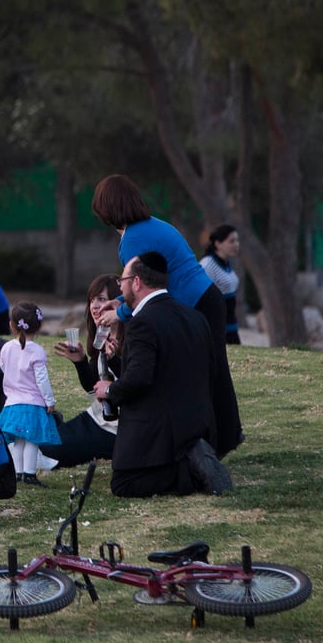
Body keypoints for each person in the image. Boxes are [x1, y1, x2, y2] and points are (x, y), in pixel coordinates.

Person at [91, 174, 242, 458]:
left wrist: (119, 313)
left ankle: (218, 440)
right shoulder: (153, 226)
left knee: (207, 372)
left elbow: (143, 287)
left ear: (107, 209)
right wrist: (119, 301)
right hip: (206, 300)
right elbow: (145, 283)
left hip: (196, 305)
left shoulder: (133, 240)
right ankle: (223, 437)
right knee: (211, 370)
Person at [94, 252, 233, 497]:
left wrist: (110, 390)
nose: (121, 286)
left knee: (123, 484)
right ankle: (194, 456)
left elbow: (140, 379)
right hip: (199, 422)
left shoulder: (142, 323)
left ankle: (189, 470)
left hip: (162, 428)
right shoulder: (195, 317)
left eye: (123, 280)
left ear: (137, 282)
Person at [42, 274, 123, 468]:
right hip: (97, 418)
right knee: (45, 441)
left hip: (118, 429)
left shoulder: (134, 339)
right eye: (92, 300)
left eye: (102, 300)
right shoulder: (102, 339)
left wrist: (116, 360)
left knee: (50, 452)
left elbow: (134, 382)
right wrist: (80, 362)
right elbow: (94, 389)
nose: (95, 306)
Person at [0, 301, 60, 487]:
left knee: (18, 441)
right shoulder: (37, 351)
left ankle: (17, 472)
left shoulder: (6, 348)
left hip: (12, 403)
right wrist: (49, 400)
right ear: (39, 326)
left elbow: (3, 367)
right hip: (32, 403)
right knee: (32, 440)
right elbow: (42, 380)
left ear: (11, 324)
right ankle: (30, 473)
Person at [201, 224, 242, 345]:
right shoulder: (207, 265)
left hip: (231, 326)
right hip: (217, 329)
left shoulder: (226, 263)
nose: (236, 244)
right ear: (218, 244)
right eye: (232, 241)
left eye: (237, 240)